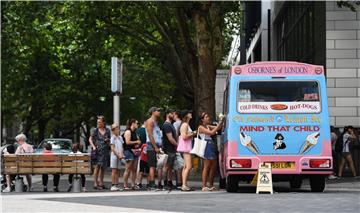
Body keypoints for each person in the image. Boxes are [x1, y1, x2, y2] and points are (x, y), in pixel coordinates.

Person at [198, 112, 224, 191]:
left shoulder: (208, 126)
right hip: (206, 146)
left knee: (214, 166)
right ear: (202, 120)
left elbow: (218, 128)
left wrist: (221, 121)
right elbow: (212, 133)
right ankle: (204, 185)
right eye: (206, 117)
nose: (208, 118)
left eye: (208, 116)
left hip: (210, 145)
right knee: (207, 166)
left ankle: (211, 184)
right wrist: (218, 125)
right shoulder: (201, 127)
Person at [89, 115, 111, 190]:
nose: (98, 123)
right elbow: (90, 139)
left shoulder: (107, 130)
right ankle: (95, 183)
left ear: (103, 122)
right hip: (97, 151)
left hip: (105, 151)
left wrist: (108, 141)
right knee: (97, 167)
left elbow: (109, 140)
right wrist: (94, 147)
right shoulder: (95, 130)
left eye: (100, 122)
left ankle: (101, 183)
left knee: (103, 167)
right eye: (97, 122)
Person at [177, 110, 196, 191]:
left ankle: (184, 184)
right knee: (188, 166)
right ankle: (184, 185)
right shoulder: (185, 124)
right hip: (186, 147)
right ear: (186, 115)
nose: (191, 114)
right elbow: (184, 136)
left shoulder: (185, 124)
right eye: (189, 113)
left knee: (185, 166)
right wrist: (193, 133)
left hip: (185, 147)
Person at [145, 107, 163, 190]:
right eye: (157, 111)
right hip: (152, 146)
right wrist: (155, 147)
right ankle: (152, 183)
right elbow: (150, 135)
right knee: (152, 165)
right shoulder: (150, 121)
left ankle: (151, 183)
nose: (159, 112)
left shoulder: (156, 122)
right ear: (153, 112)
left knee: (155, 165)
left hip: (156, 145)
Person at [122, 119, 141, 190]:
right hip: (128, 151)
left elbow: (138, 141)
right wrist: (136, 141)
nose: (138, 125)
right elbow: (127, 142)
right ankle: (125, 184)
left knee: (134, 169)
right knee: (128, 168)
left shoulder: (135, 132)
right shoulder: (128, 131)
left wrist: (138, 143)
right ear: (132, 124)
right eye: (137, 123)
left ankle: (133, 184)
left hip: (135, 151)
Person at [162, 109, 178, 190]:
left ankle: (169, 182)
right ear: (168, 114)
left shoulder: (170, 124)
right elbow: (170, 138)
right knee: (167, 166)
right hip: (168, 149)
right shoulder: (167, 125)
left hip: (171, 149)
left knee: (170, 167)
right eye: (172, 113)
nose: (174, 115)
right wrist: (177, 145)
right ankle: (165, 184)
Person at [110, 123, 124, 191]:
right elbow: (112, 148)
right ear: (113, 130)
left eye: (118, 128)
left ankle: (117, 184)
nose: (118, 130)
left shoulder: (120, 137)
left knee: (118, 171)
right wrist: (118, 155)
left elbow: (122, 146)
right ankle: (113, 185)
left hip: (120, 156)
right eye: (116, 129)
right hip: (114, 156)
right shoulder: (112, 138)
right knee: (114, 170)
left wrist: (121, 154)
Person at [173, 110, 184, 189]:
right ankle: (183, 181)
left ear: (176, 115)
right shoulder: (183, 123)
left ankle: (179, 182)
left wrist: (176, 145)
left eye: (173, 114)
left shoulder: (175, 124)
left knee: (179, 165)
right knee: (184, 164)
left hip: (179, 146)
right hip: (185, 146)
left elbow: (175, 134)